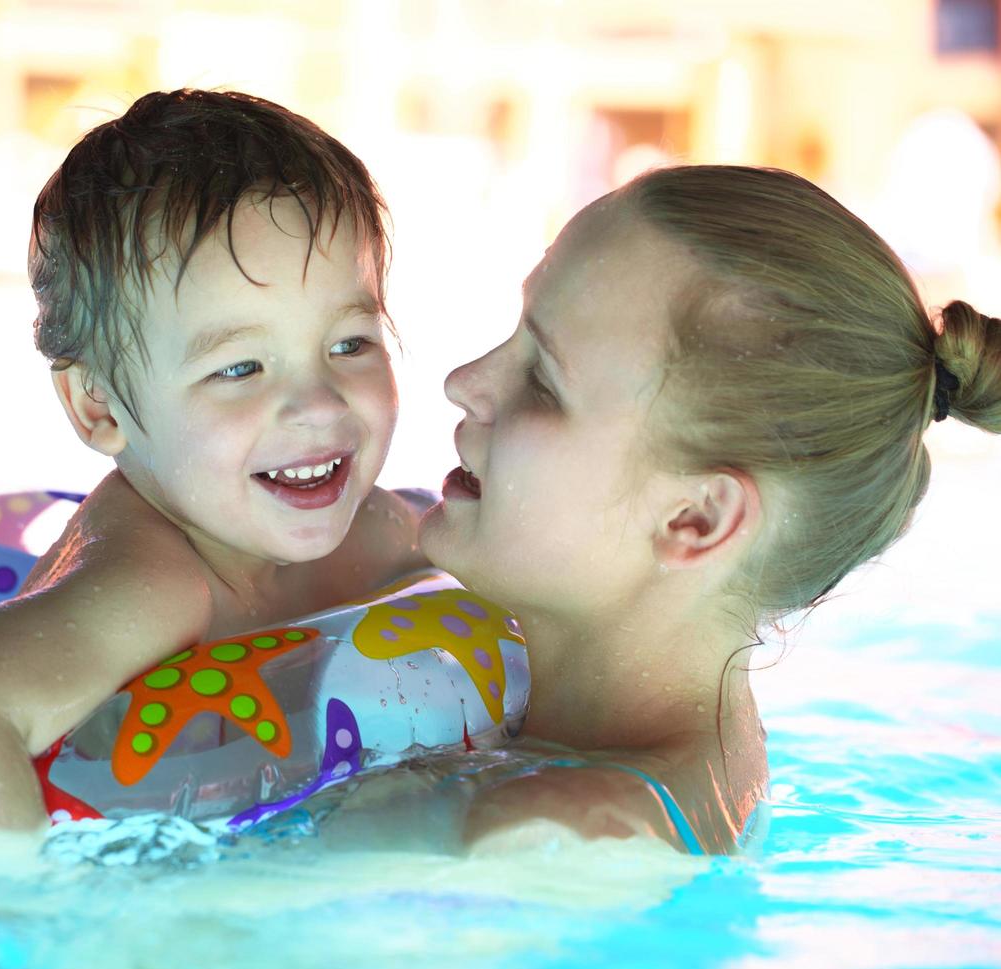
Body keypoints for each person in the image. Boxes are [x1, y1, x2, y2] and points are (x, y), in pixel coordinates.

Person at [380, 164, 999, 856]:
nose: (464, 383)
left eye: (543, 383)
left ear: (695, 521)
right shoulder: (698, 754)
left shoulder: (551, 839)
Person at [0, 90, 426, 832]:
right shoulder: (154, 585)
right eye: (239, 368)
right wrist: (5, 926)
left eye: (349, 344)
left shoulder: (379, 532)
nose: (320, 405)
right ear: (97, 406)